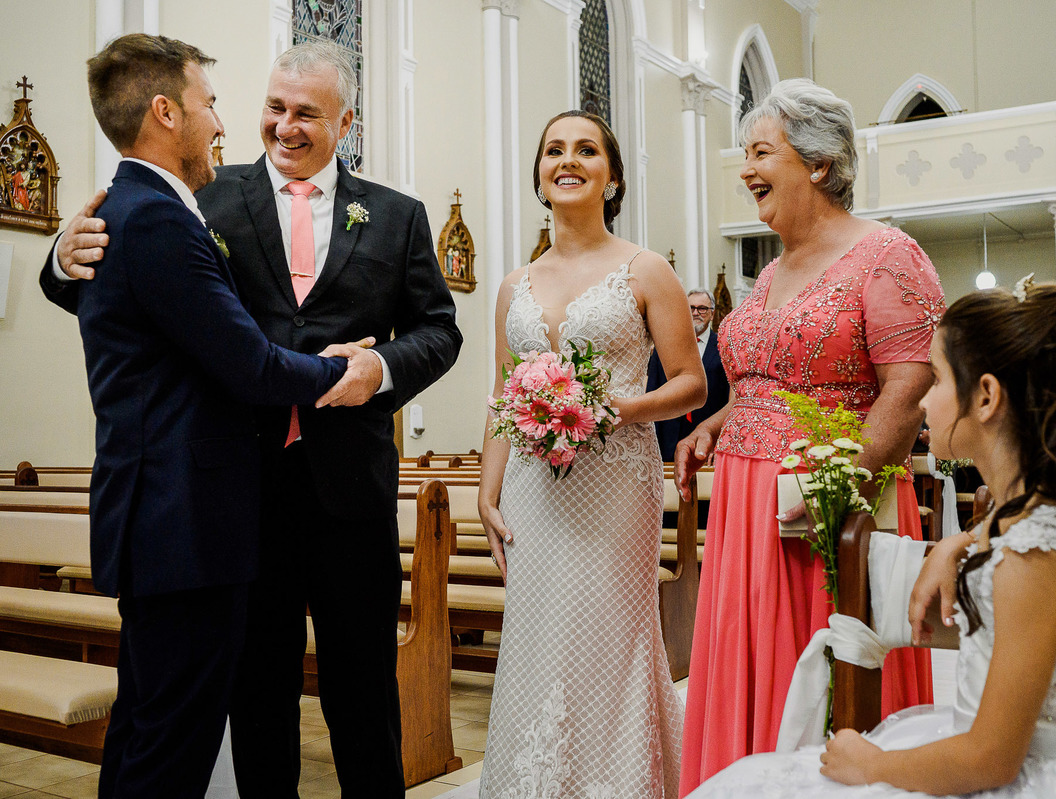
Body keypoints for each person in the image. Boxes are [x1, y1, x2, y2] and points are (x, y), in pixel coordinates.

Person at [49, 40, 462, 798]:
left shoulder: (400, 216)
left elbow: (441, 331)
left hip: (349, 493)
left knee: (363, 694)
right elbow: (120, 293)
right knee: (256, 697)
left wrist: (379, 370)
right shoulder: (200, 195)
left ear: (346, 121)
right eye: (274, 107)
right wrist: (57, 256)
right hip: (240, 495)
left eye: (307, 113)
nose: (283, 127)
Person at [689, 282, 1056, 798]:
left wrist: (875, 765)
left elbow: (991, 758)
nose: (923, 396)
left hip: (1046, 773)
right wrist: (962, 542)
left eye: (936, 379)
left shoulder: (1033, 556)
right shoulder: (1022, 520)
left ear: (986, 396)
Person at [675, 78, 942, 793]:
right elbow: (770, 379)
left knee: (818, 674)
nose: (745, 170)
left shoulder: (887, 254)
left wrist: (839, 489)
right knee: (748, 667)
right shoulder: (766, 277)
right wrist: (715, 422)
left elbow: (909, 384)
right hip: (743, 508)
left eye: (762, 152)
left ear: (818, 164)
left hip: (826, 504)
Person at [476, 110, 706, 797]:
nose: (566, 160)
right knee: (537, 637)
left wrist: (619, 408)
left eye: (585, 150)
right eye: (553, 151)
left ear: (611, 177)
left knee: (607, 633)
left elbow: (690, 382)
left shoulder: (645, 269)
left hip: (616, 481)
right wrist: (488, 493)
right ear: (541, 177)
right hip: (531, 487)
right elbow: (500, 394)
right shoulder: (513, 284)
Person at [647, 288, 731, 461]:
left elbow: (729, 403)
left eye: (702, 308)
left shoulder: (725, 349)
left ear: (712, 313)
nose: (695, 313)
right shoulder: (663, 348)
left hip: (707, 443)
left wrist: (721, 441)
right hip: (667, 441)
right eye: (690, 308)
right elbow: (652, 393)